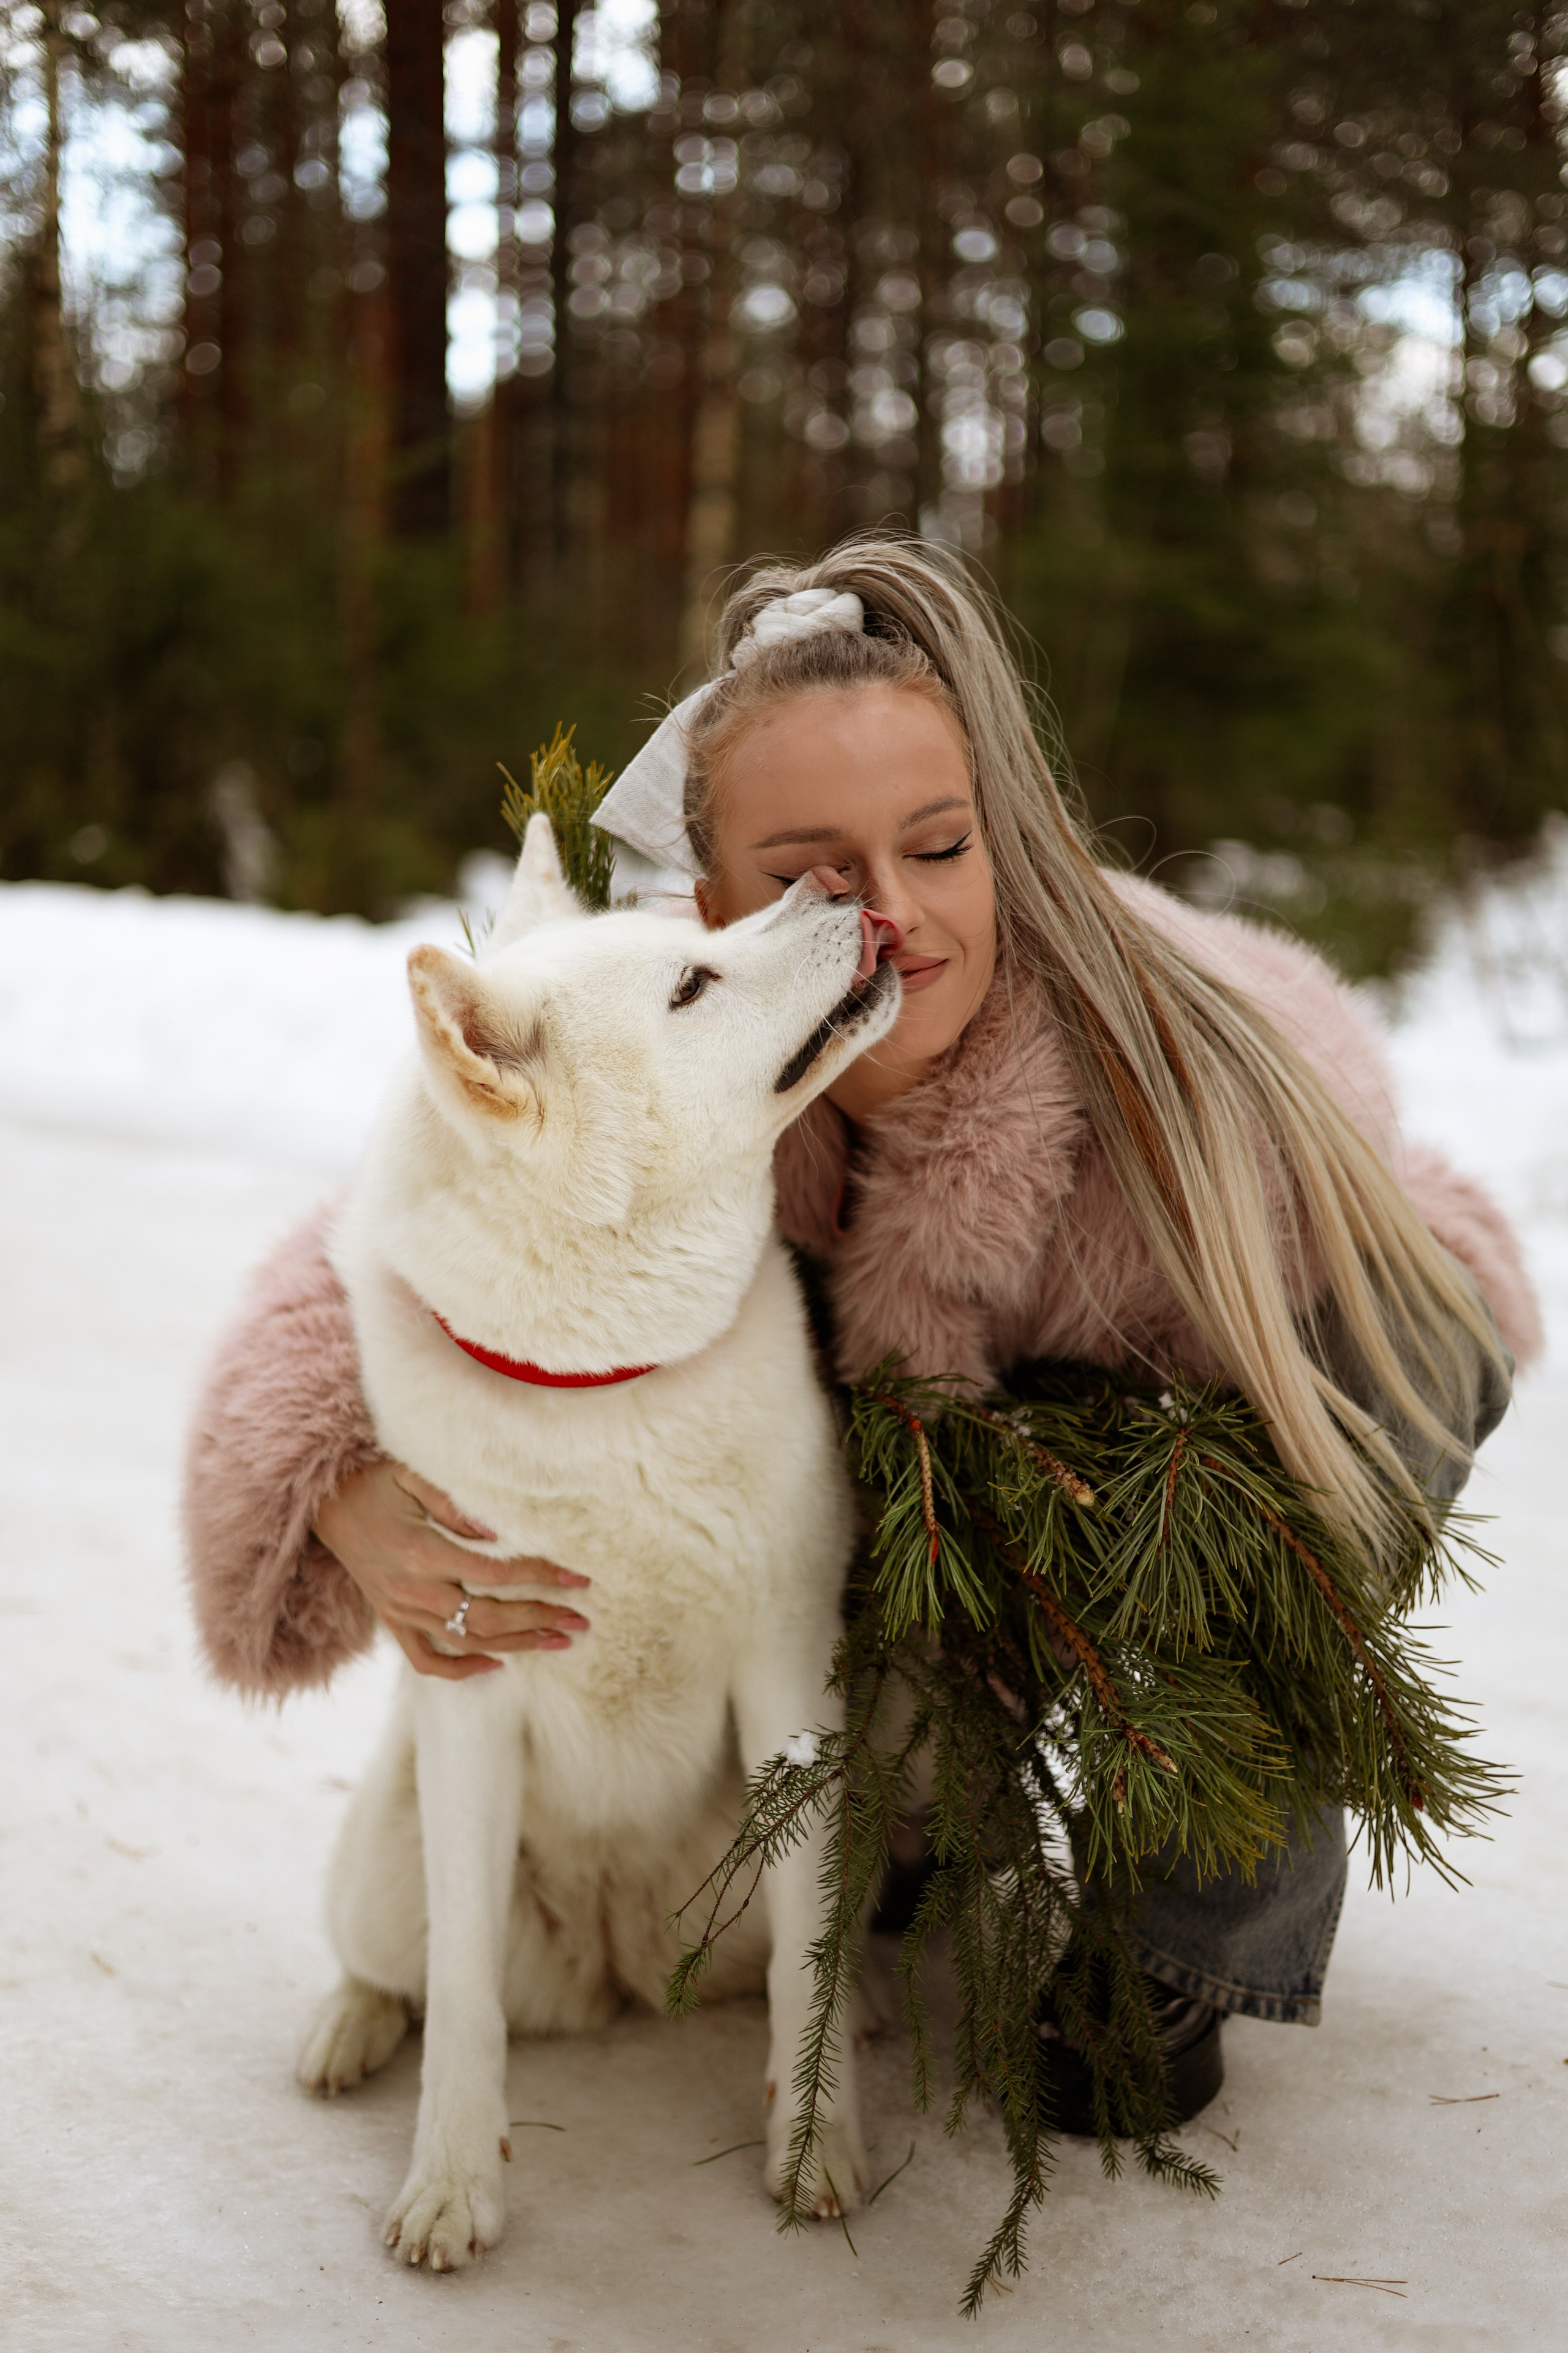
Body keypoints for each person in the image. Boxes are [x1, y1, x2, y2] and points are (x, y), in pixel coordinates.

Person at [183, 535, 1540, 2128]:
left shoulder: (1184, 1092)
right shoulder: (681, 1027)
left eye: (942, 845)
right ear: (709, 904)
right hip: (911, 1424)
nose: (891, 912)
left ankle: (1176, 1936)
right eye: (812, 880)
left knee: (1342, 1412)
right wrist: (336, 1482)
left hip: (1244, 1332)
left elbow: (1369, 1227)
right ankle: (908, 1799)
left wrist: (1113, 1504)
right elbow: (397, 1228)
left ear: (1002, 841)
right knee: (858, 1524)